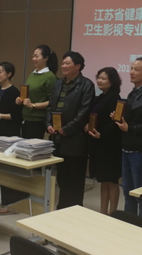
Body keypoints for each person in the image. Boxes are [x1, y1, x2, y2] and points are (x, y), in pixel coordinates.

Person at [46, 51, 94, 209]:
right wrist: (48, 124)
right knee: (62, 177)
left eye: (67, 63)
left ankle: (74, 210)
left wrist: (68, 129)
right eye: (63, 63)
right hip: (57, 138)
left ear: (78, 66)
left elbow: (84, 112)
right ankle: (61, 208)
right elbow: (50, 107)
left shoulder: (86, 85)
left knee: (75, 179)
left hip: (75, 139)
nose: (63, 66)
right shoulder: (58, 84)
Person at [114, 57, 142, 220]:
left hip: (140, 151)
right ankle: (129, 222)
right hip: (127, 147)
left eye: (136, 69)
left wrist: (129, 128)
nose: (131, 72)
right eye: (131, 68)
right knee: (127, 190)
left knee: (141, 193)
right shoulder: (133, 92)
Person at [88, 67, 122, 215]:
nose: (99, 81)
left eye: (103, 78)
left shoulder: (115, 98)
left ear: (112, 81)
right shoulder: (101, 96)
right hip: (99, 143)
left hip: (110, 144)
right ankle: (102, 211)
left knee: (112, 181)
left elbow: (115, 123)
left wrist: (102, 134)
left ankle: (113, 212)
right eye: (98, 78)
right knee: (103, 179)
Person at [17, 44, 58, 139]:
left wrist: (33, 105)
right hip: (26, 117)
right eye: (33, 56)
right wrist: (20, 100)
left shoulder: (50, 76)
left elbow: (52, 101)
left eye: (37, 56)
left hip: (38, 120)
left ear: (46, 58)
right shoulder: (33, 74)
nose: (34, 59)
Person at [0, 62, 22, 137]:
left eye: (0, 72)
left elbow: (16, 115)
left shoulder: (14, 92)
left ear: (9, 74)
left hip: (7, 130)